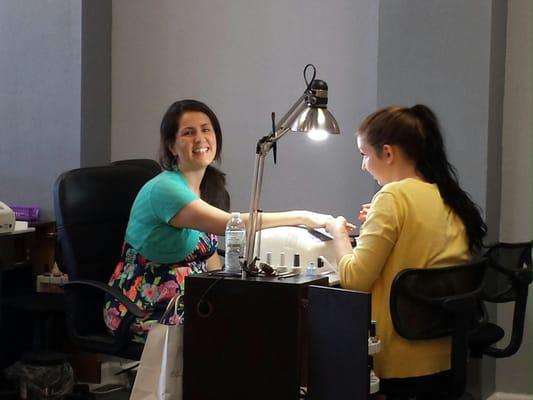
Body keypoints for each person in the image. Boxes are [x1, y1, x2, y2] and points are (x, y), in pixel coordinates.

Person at [103, 99, 332, 343]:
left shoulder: (206, 188)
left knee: (265, 315)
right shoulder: (165, 189)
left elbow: (209, 257)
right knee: (240, 332)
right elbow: (229, 224)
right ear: (171, 146)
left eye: (206, 129)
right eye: (188, 133)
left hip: (189, 298)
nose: (200, 139)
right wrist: (303, 217)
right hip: (142, 308)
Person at [325, 105, 487, 399]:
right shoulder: (447, 196)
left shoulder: (392, 196)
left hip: (400, 360)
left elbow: (354, 280)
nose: (363, 165)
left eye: (364, 155)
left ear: (387, 153)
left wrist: (337, 232)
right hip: (447, 353)